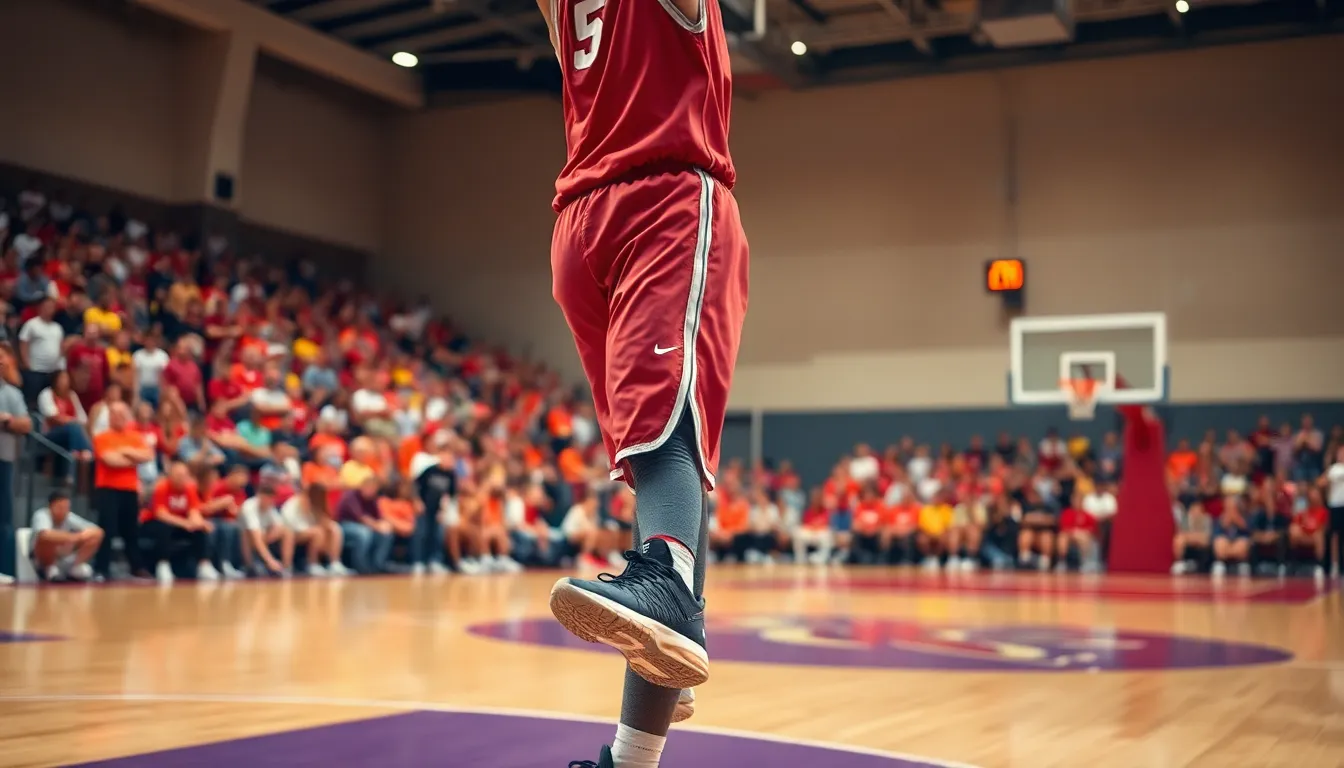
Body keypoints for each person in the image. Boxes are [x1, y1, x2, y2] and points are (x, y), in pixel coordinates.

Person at [539, 0, 749, 756]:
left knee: (668, 440)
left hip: (664, 195)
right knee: (652, 456)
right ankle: (673, 603)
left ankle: (672, 589)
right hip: (583, 217)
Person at [144, 461, 220, 584]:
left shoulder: (189, 489)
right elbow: (161, 514)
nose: (181, 478)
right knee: (163, 528)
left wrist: (199, 523)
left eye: (184, 475)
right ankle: (163, 565)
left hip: (179, 524)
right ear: (171, 476)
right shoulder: (162, 487)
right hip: (154, 522)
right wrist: (185, 523)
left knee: (200, 528)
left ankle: (204, 565)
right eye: (178, 475)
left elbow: (194, 511)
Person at [29, 489, 102, 582]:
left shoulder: (68, 516)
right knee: (47, 539)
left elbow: (96, 531)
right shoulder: (41, 515)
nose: (63, 511)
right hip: (40, 560)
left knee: (94, 537)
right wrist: (73, 538)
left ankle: (75, 567)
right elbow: (44, 534)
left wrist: (79, 538)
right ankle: (49, 569)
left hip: (64, 556)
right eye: (60, 507)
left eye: (66, 507)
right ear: (50, 507)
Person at [280, 483, 351, 577]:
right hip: (292, 534)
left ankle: (335, 564)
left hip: (311, 531)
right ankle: (312, 564)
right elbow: (291, 528)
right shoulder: (291, 506)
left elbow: (324, 521)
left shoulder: (313, 506)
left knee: (334, 528)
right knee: (318, 532)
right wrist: (314, 527)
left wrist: (324, 521)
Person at [239, 483, 294, 577]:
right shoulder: (249, 507)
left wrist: (272, 532)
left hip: (263, 537)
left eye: (270, 499)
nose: (268, 502)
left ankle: (286, 566)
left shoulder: (270, 507)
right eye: (266, 499)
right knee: (250, 534)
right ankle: (250, 565)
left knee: (287, 531)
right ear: (259, 496)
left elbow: (279, 526)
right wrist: (270, 561)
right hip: (248, 539)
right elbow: (255, 537)